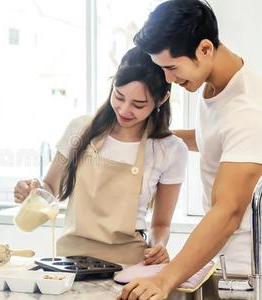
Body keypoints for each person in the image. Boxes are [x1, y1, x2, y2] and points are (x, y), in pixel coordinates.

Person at [118, 1, 262, 299]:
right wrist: (152, 134)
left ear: (205, 49)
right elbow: (215, 141)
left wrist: (163, 280)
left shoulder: (248, 111)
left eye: (171, 67)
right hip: (220, 262)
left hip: (245, 274)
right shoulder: (215, 84)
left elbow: (228, 212)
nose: (168, 78)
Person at [14, 47, 188, 266]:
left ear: (162, 99)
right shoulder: (80, 130)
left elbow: (161, 224)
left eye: (138, 104)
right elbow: (50, 187)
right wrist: (32, 191)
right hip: (69, 262)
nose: (124, 110)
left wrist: (159, 245)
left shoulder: (170, 150)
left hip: (128, 267)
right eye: (119, 96)